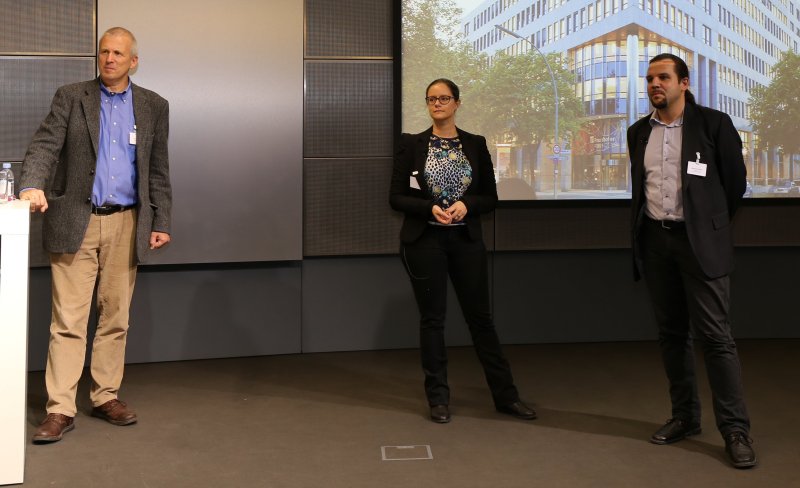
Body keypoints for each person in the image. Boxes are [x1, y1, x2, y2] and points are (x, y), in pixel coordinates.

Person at [21, 27, 172, 443]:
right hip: (77, 220)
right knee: (68, 320)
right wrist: (30, 184)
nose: (109, 59)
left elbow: (158, 169)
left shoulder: (154, 105)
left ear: (133, 61)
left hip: (127, 222)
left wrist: (161, 221)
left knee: (115, 318)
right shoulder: (71, 96)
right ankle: (60, 408)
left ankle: (105, 396)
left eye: (118, 53)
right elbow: (44, 146)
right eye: (104, 51)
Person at [627, 54, 755, 468]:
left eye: (663, 77)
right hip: (656, 242)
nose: (654, 85)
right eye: (649, 79)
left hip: (700, 244)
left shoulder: (714, 124)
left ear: (684, 82)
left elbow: (734, 185)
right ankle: (685, 417)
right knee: (671, 336)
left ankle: (735, 430)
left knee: (716, 339)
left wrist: (707, 228)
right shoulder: (637, 133)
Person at [390, 79, 534, 424]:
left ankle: (506, 397)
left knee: (481, 321)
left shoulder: (475, 144)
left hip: (465, 242)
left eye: (444, 98)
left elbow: (490, 198)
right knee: (433, 320)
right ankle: (438, 398)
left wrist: (466, 205)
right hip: (424, 242)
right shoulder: (411, 144)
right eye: (431, 99)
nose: (437, 104)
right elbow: (395, 197)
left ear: (457, 103)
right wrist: (429, 209)